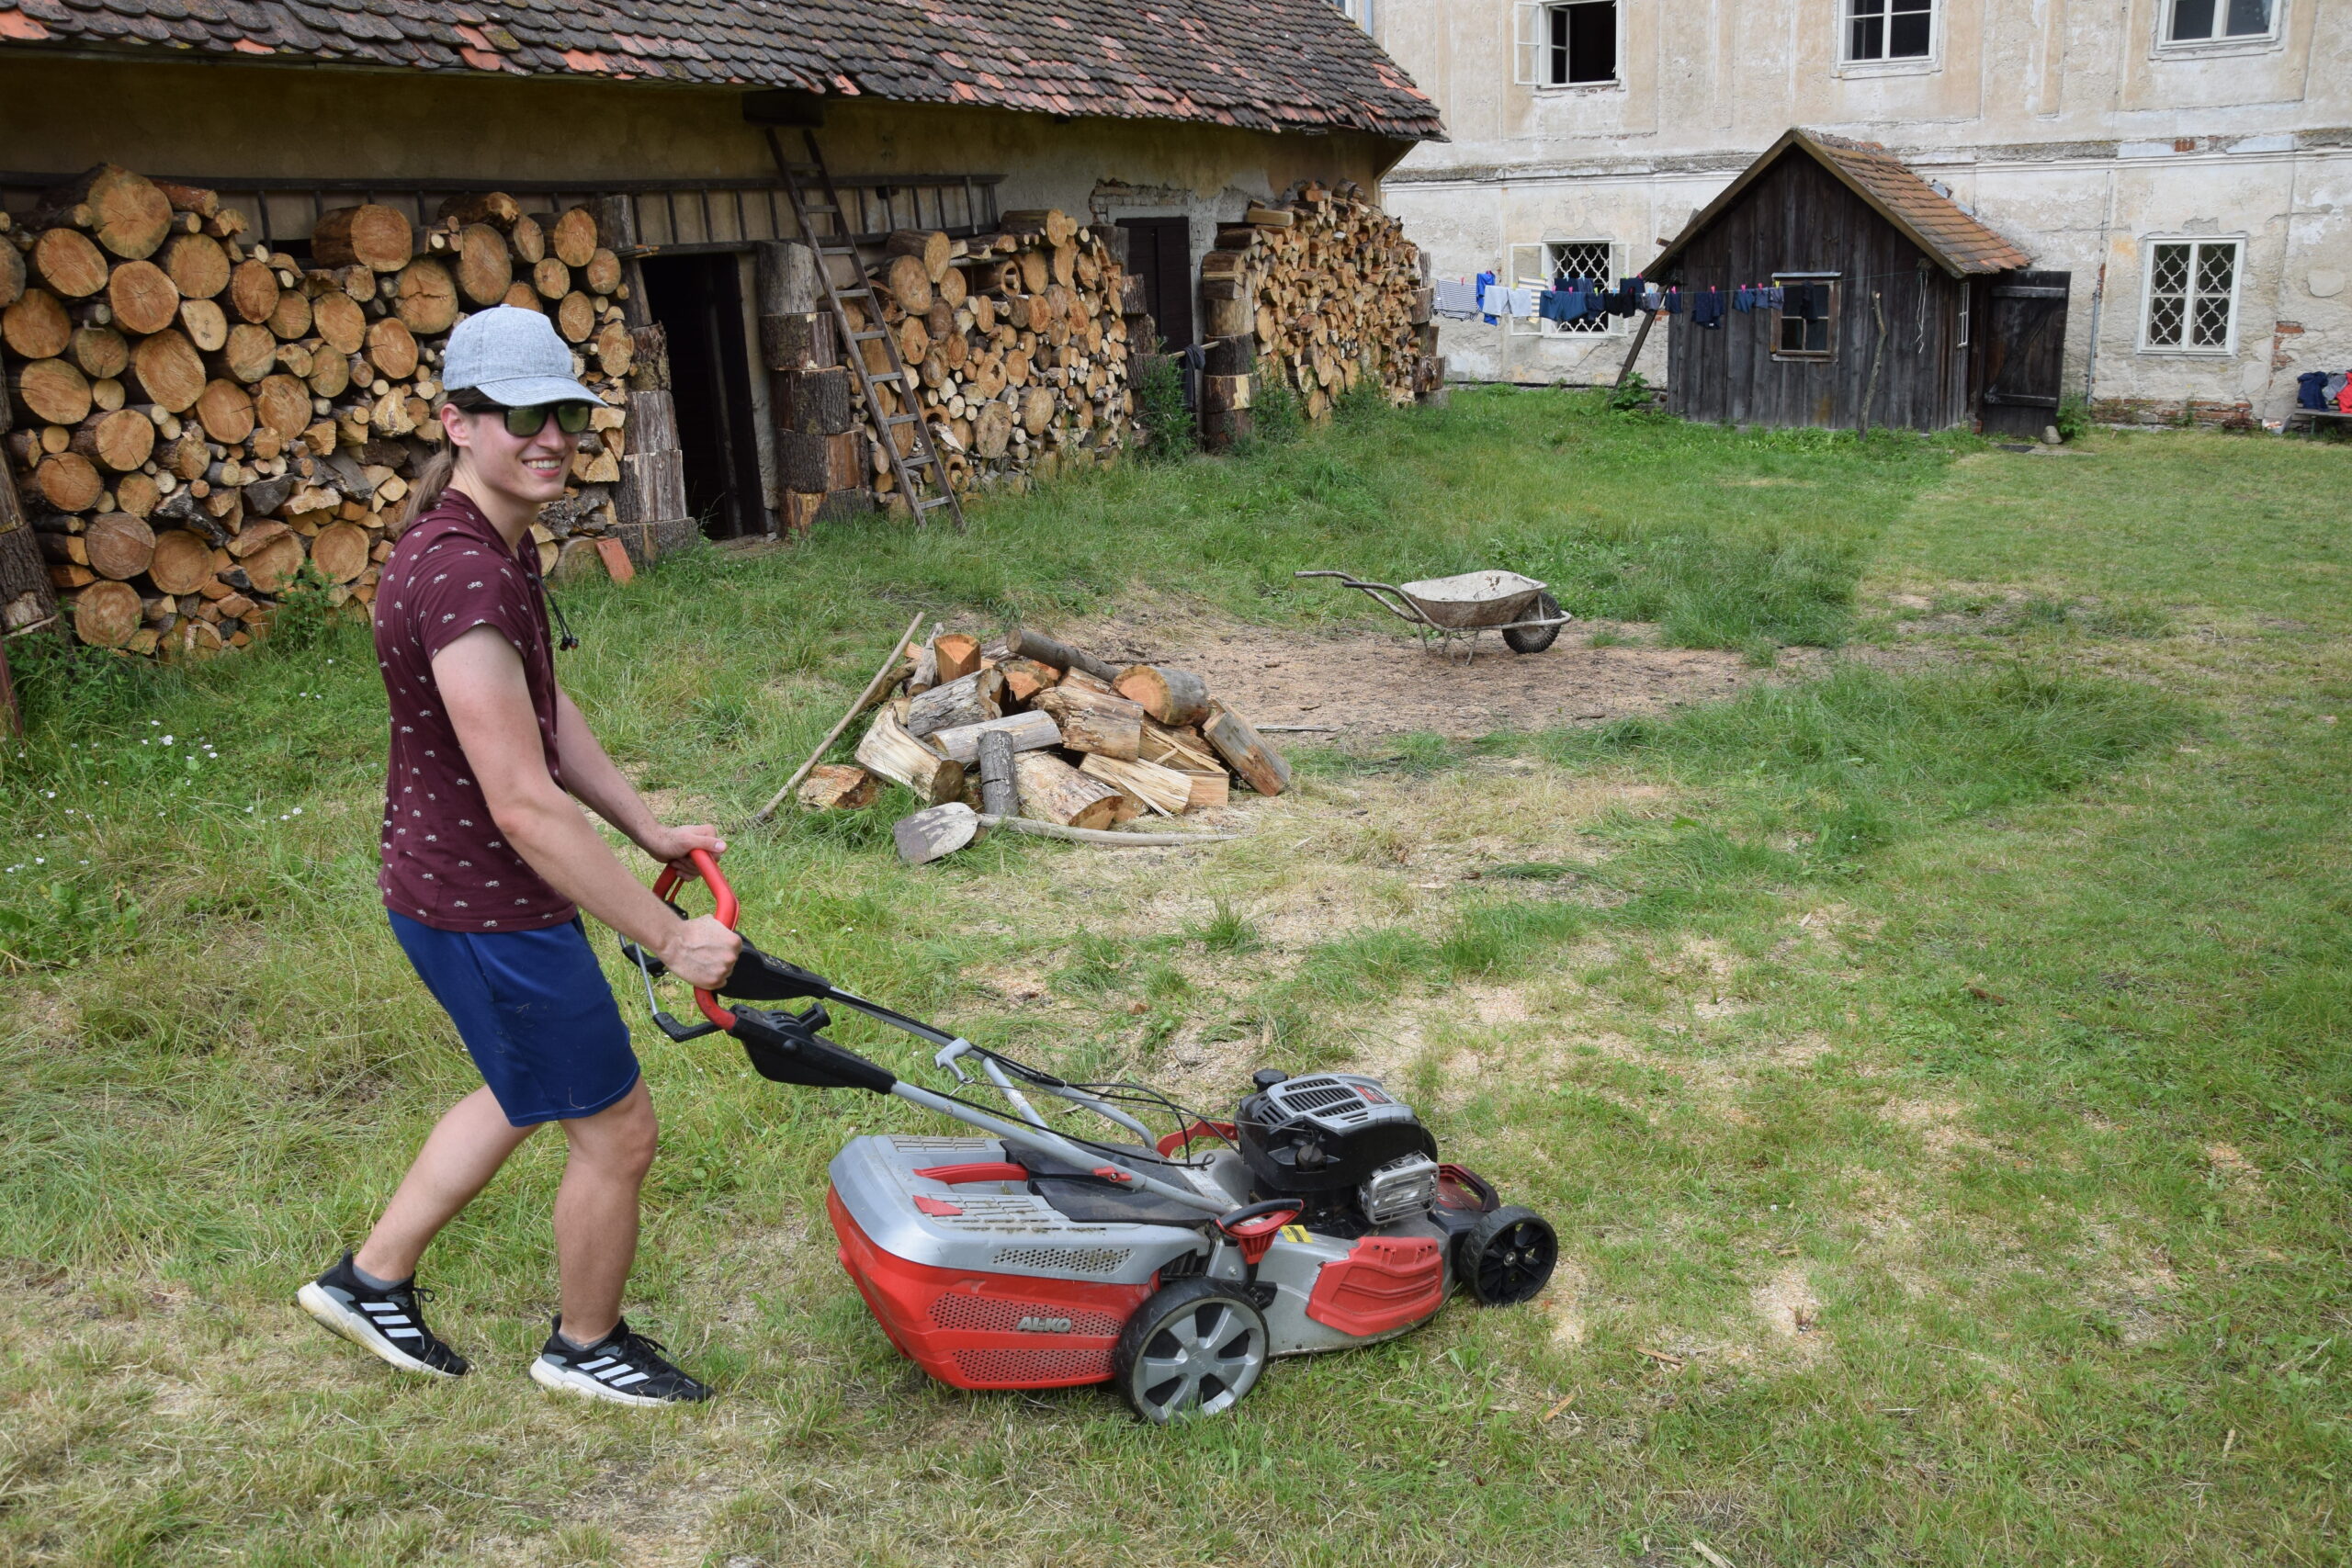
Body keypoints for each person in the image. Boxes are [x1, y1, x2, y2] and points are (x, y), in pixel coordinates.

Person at [297, 306, 741, 1406]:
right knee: (618, 1132)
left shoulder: (486, 544)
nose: (550, 437)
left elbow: (541, 706)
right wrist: (670, 937)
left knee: (524, 1088)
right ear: (457, 421)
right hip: (486, 906)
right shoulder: (464, 576)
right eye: (520, 415)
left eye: (564, 415)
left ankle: (367, 1280)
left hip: (444, 888)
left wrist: (645, 826)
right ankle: (585, 1348)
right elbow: (524, 806)